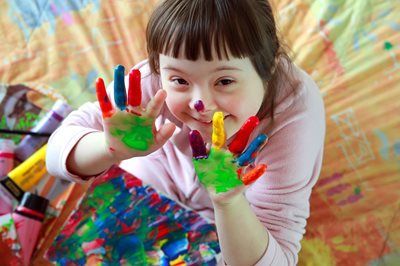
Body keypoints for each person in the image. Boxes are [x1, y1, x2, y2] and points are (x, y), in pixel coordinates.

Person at [46, 0, 326, 265]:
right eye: (180, 80)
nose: (200, 104)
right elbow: (56, 154)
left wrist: (229, 201)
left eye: (225, 80)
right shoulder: (152, 82)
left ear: (269, 68)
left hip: (238, 215)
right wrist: (110, 148)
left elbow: (276, 259)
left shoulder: (295, 115)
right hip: (156, 172)